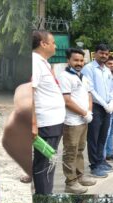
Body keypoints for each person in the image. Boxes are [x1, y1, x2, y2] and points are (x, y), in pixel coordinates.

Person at [30, 29, 65, 194]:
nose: (56, 46)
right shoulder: (35, 62)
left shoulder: (43, 62)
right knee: (45, 164)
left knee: (49, 161)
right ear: (43, 44)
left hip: (54, 121)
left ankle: (45, 192)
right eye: (53, 42)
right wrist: (33, 123)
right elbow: (29, 93)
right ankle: (43, 195)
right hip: (46, 123)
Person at [59, 47, 96, 193]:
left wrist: (89, 112)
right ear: (68, 60)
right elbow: (66, 101)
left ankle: (80, 176)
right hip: (72, 122)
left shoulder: (83, 77)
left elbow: (89, 96)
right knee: (70, 152)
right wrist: (84, 113)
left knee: (80, 150)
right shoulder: (64, 77)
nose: (79, 63)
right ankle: (70, 182)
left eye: (81, 60)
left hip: (83, 120)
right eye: (76, 60)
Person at [82, 44, 113, 177]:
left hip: (107, 108)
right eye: (101, 53)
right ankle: (94, 165)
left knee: (103, 136)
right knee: (93, 137)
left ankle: (101, 160)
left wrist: (111, 102)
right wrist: (104, 104)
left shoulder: (107, 70)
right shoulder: (89, 68)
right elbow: (90, 89)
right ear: (95, 53)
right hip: (95, 106)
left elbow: (111, 89)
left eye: (106, 54)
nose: (104, 56)